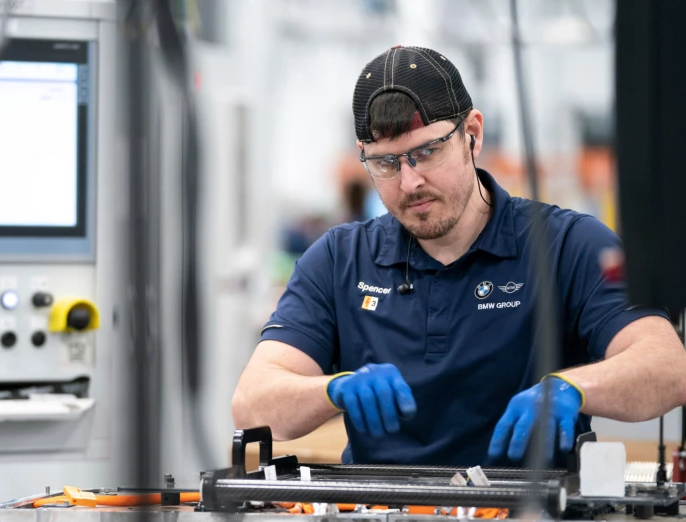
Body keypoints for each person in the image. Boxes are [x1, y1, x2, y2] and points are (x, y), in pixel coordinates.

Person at [231, 45, 686, 467]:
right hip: (379, 510)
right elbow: (252, 401)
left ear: (472, 133)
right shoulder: (339, 260)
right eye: (386, 163)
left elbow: (668, 366)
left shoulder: (567, 245)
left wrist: (574, 387)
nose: (409, 183)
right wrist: (330, 389)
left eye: (426, 152)